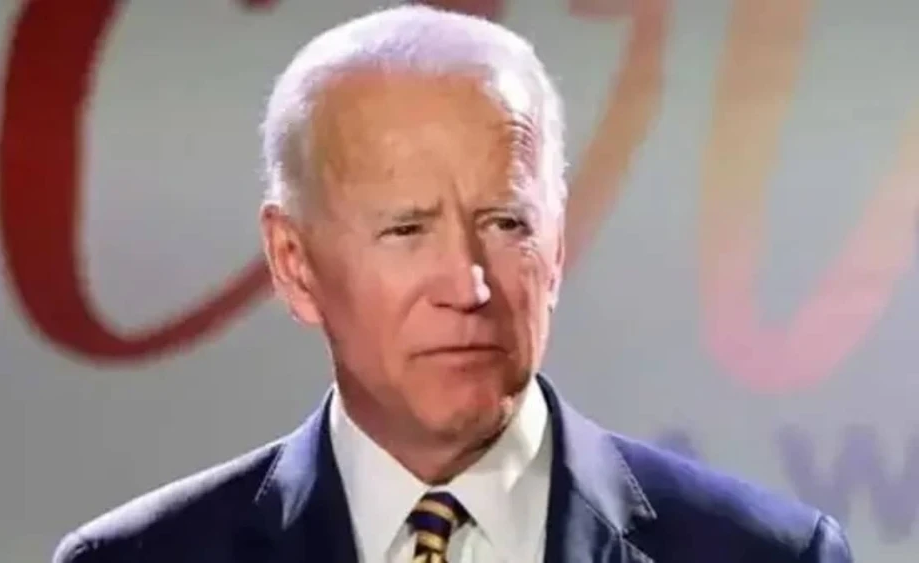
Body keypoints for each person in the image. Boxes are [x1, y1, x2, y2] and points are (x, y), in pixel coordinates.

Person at [53, 6, 854, 563]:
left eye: (505, 223)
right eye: (407, 229)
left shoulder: (769, 554)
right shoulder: (136, 560)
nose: (469, 286)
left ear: (557, 244)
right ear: (293, 262)